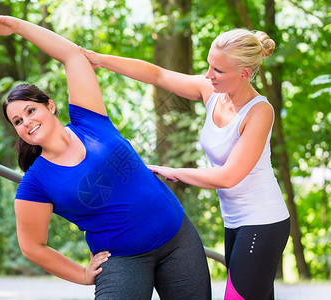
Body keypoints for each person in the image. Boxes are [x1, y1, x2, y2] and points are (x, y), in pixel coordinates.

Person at [0, 15, 212, 300]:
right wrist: (81, 275)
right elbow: (32, 247)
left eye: (30, 111)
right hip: (123, 260)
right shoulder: (34, 184)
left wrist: (19, 27)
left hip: (178, 240)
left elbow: (72, 55)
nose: (26, 122)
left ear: (50, 106)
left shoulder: (89, 120)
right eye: (17, 121)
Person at [80, 28, 290, 300]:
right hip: (234, 220)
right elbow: (157, 75)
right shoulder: (211, 92)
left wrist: (172, 172)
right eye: (209, 65)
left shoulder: (259, 111)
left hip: (263, 220)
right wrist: (101, 60)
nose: (208, 75)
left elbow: (228, 177)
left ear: (244, 74)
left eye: (218, 70)